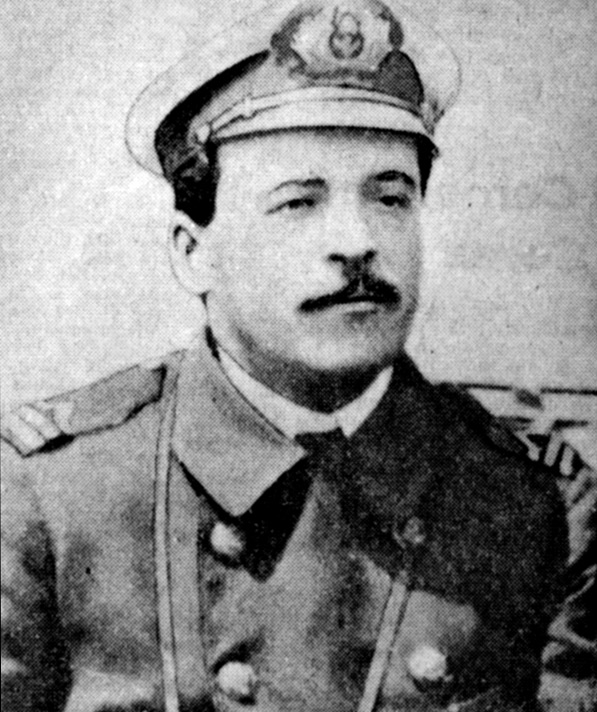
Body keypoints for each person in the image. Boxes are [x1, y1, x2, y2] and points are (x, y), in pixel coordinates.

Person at [1, 0, 585, 710]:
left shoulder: (536, 505)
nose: (357, 241)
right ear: (193, 253)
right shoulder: (52, 494)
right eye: (298, 203)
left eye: (390, 198)